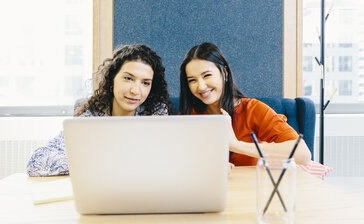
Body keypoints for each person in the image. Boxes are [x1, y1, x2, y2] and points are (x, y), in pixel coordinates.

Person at [27, 44, 171, 176]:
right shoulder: (92, 116)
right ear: (112, 79)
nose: (135, 90)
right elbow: (37, 163)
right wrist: (99, 162)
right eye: (128, 78)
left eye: (145, 83)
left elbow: (165, 161)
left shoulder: (156, 114)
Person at [179, 42, 311, 166]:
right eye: (192, 80)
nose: (201, 87)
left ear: (224, 73)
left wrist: (235, 145)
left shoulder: (253, 110)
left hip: (250, 187)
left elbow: (303, 155)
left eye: (207, 75)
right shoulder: (189, 115)